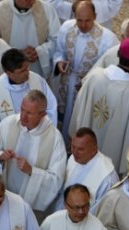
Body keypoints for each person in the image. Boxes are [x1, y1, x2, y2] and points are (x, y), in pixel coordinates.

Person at [68, 40, 129, 174]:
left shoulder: (94, 76)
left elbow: (79, 106)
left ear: (118, 53)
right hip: (108, 168)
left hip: (82, 154)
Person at [0, 93, 66, 214]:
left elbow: (56, 180)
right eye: (22, 109)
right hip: (3, 196)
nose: (23, 116)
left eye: (29, 113)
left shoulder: (54, 137)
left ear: (42, 114)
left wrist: (31, 171)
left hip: (30, 207)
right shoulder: (8, 124)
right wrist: (0, 157)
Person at [50, 0, 118, 134]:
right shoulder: (66, 28)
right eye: (79, 20)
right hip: (66, 83)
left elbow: (109, 70)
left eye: (87, 20)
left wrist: (90, 82)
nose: (83, 25)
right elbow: (59, 51)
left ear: (95, 16)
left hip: (89, 88)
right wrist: (59, 62)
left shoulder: (108, 39)